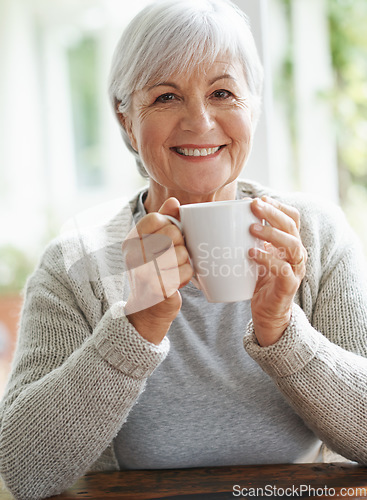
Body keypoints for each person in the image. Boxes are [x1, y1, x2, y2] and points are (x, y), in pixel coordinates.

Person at [1, 0, 367, 498]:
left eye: (222, 92)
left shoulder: (314, 234)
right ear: (125, 118)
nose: (199, 122)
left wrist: (282, 332)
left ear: (253, 108)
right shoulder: (76, 263)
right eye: (167, 97)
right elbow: (24, 471)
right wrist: (137, 325)